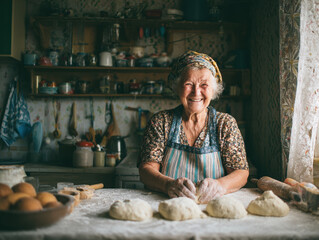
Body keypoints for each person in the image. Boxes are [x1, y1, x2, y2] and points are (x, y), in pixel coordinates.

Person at [138, 50, 249, 203]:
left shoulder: (225, 124)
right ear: (177, 87)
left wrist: (220, 185)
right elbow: (146, 170)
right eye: (188, 84)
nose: (196, 92)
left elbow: (241, 172)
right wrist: (168, 185)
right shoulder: (161, 122)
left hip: (212, 209)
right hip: (169, 207)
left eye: (204, 85)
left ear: (214, 89)